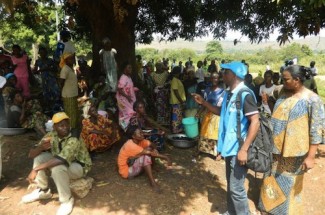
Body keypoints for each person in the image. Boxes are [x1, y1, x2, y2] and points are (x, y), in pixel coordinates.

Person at [192, 61, 260, 215]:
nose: (222, 75)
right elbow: (219, 112)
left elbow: (255, 122)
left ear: (234, 74)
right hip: (228, 147)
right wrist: (203, 102)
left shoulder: (245, 94)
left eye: (225, 72)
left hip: (239, 149)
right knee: (231, 185)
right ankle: (232, 212)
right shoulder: (229, 93)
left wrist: (244, 149)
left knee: (236, 189)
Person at [258, 65, 324, 215]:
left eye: (286, 79)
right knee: (271, 175)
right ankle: (267, 207)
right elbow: (278, 111)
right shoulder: (282, 91)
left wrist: (311, 156)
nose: (282, 81)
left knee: (289, 180)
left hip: (295, 149)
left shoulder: (313, 100)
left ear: (297, 80)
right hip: (274, 145)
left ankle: (284, 211)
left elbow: (316, 130)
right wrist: (267, 102)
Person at [21, 112, 92, 215]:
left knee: (57, 168)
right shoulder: (51, 135)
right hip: (63, 162)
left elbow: (60, 160)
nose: (65, 127)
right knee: (39, 158)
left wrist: (36, 169)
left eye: (67, 124)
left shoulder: (74, 137)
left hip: (79, 166)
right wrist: (41, 148)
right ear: (54, 127)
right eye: (61, 125)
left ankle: (66, 200)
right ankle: (43, 190)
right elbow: (31, 155)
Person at [117, 126, 171, 192]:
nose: (142, 134)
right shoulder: (130, 145)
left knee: (149, 149)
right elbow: (150, 153)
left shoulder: (139, 140)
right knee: (146, 155)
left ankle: (151, 168)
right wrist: (166, 157)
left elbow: (152, 145)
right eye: (140, 133)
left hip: (132, 164)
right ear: (133, 136)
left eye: (142, 132)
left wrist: (154, 149)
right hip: (127, 172)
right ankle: (153, 183)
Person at [195, 72, 224, 160]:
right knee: (204, 132)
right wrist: (199, 113)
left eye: (216, 78)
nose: (214, 80)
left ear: (219, 79)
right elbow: (204, 103)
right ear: (210, 79)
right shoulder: (207, 90)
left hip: (216, 115)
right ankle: (202, 149)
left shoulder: (223, 92)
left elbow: (222, 107)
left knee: (216, 134)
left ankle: (218, 152)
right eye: (212, 78)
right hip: (207, 114)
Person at [33, 47, 61, 111]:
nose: (42, 54)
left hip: (51, 79)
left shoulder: (50, 60)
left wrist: (48, 68)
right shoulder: (38, 61)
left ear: (46, 53)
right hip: (44, 79)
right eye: (41, 53)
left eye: (44, 52)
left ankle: (57, 106)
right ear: (39, 53)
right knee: (46, 93)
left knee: (55, 92)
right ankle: (48, 108)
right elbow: (34, 71)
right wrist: (41, 70)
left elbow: (55, 69)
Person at [59, 52, 79, 132]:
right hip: (68, 95)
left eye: (73, 58)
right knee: (71, 114)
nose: (72, 60)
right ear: (66, 60)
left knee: (74, 113)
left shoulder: (71, 68)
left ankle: (73, 129)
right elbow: (61, 82)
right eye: (70, 58)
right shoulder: (65, 69)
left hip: (73, 94)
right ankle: (71, 131)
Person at [116, 62, 137, 130]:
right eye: (129, 68)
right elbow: (119, 89)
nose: (131, 69)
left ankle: (129, 129)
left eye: (131, 68)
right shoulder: (123, 77)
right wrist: (127, 96)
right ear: (125, 69)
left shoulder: (128, 77)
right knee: (127, 114)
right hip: (124, 101)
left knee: (128, 115)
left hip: (129, 100)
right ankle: (124, 129)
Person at [169, 66, 186, 134]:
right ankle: (175, 131)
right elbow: (176, 92)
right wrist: (181, 101)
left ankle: (178, 130)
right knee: (176, 118)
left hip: (178, 102)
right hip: (176, 102)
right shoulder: (174, 80)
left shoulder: (177, 79)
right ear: (178, 72)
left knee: (179, 117)